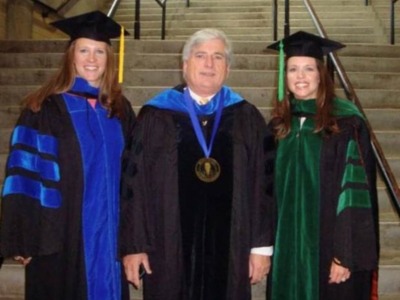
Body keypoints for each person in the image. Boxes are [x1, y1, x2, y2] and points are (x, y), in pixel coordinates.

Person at [119, 28, 275, 300]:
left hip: (231, 247)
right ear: (185, 65)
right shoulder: (156, 116)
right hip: (167, 244)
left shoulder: (246, 117)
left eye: (218, 57)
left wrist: (261, 247)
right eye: (200, 55)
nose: (209, 64)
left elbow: (263, 184)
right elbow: (134, 183)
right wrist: (134, 245)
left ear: (227, 68)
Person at [0, 11, 135, 300]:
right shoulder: (44, 109)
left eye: (99, 51)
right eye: (84, 50)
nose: (91, 58)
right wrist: (24, 236)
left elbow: (135, 174)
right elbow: (23, 175)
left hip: (110, 234)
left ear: (109, 58)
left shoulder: (121, 110)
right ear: (71, 56)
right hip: (60, 235)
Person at [266, 31, 379, 300]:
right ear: (285, 76)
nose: (300, 76)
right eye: (293, 69)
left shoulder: (346, 123)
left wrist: (345, 254)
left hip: (330, 250)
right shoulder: (278, 126)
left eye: (308, 68)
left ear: (321, 74)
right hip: (288, 251)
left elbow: (356, 194)